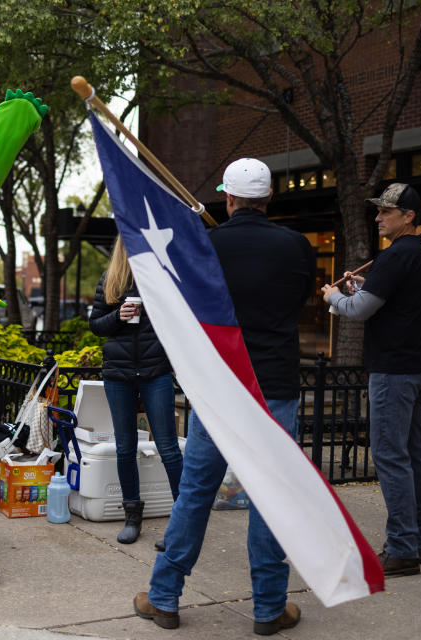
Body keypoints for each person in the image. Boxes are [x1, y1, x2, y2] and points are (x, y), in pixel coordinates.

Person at [134, 158, 315, 636]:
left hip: (219, 386)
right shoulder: (297, 246)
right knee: (270, 498)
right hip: (274, 385)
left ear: (229, 199)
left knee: (195, 492)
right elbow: (298, 303)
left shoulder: (206, 245)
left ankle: (164, 597)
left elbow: (188, 308)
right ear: (268, 197)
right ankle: (269, 607)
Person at [320, 182, 421, 578]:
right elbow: (383, 303)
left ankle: (403, 547)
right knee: (413, 455)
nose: (378, 218)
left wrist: (332, 297)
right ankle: (417, 540)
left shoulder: (394, 256)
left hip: (395, 372)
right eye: (378, 211)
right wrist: (360, 289)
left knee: (391, 458)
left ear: (408, 216)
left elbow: (357, 310)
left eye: (386, 212)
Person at [89, 237, 183, 545]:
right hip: (119, 374)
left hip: (156, 371)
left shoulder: (163, 275)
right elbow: (96, 325)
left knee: (168, 447)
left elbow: (180, 322)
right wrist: (118, 316)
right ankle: (132, 516)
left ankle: (184, 521)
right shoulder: (112, 278)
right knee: (125, 447)